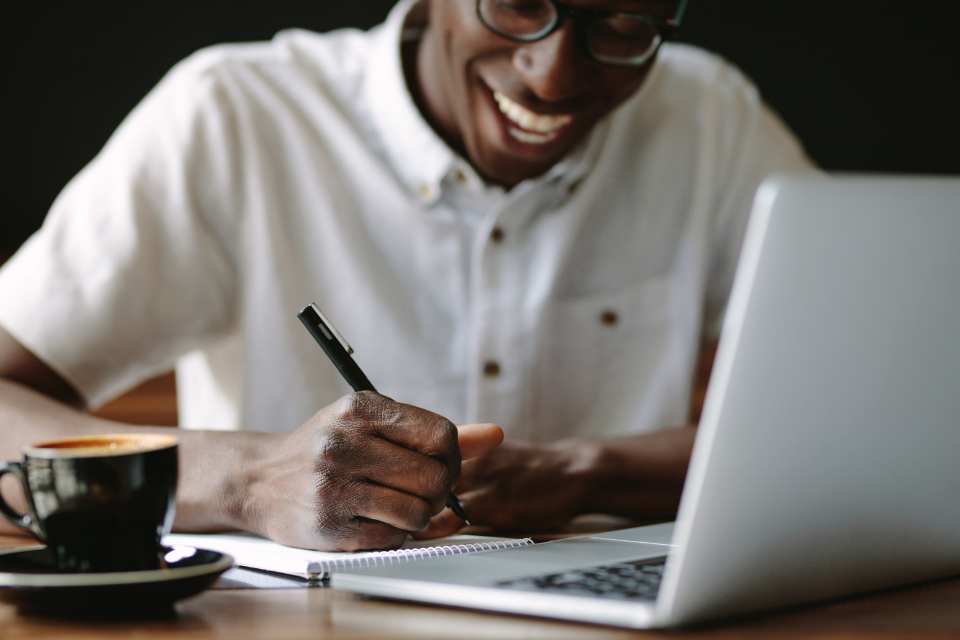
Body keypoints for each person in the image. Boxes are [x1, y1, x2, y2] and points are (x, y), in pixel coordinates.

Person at [0, 0, 813, 550]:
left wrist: (581, 472)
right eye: (520, 2)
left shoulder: (713, 121)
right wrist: (247, 479)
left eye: (625, 22)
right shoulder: (236, 116)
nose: (553, 75)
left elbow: (856, 421)